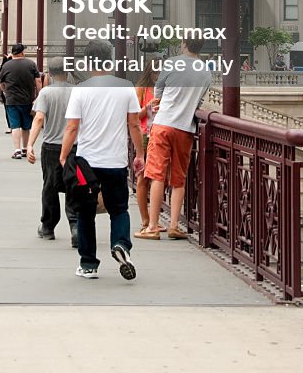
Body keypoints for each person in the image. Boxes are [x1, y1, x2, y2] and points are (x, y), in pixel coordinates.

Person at [60, 41, 145, 281]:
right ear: (110, 60)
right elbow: (134, 124)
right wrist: (140, 154)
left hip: (87, 163)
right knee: (119, 209)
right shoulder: (126, 87)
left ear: (87, 61)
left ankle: (88, 264)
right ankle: (120, 244)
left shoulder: (81, 89)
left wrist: (64, 155)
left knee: (85, 212)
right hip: (116, 161)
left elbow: (72, 127)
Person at [136, 31, 212, 241]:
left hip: (163, 124)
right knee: (179, 177)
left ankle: (152, 226)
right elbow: (198, 102)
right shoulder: (206, 72)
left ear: (184, 44)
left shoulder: (171, 63)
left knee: (157, 174)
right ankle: (174, 225)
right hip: (185, 127)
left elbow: (158, 93)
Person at [26, 57, 78, 246]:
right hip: (74, 146)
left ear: (49, 73)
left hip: (51, 147)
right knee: (74, 186)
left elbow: (39, 118)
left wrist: (30, 144)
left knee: (50, 187)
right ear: (67, 73)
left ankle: (48, 226)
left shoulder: (46, 93)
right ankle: (76, 226)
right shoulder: (77, 91)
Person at [0, 43, 41, 158]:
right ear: (22, 52)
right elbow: (38, 81)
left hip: (11, 99)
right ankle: (25, 148)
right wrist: (38, 95)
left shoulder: (6, 66)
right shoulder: (31, 64)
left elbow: (1, 82)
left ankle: (17, 150)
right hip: (28, 99)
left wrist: (6, 91)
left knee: (15, 125)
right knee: (26, 125)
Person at [134, 60, 159, 232]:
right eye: (157, 73)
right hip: (144, 135)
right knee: (142, 177)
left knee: (158, 177)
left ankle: (153, 220)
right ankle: (145, 219)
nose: (159, 77)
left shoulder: (164, 90)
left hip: (159, 134)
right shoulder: (142, 90)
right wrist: (148, 107)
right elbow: (134, 117)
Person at [0, 52, 13, 134]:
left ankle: (10, 126)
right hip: (12, 91)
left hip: (6, 91)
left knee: (8, 109)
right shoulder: (15, 65)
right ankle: (13, 126)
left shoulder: (4, 67)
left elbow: (0, 80)